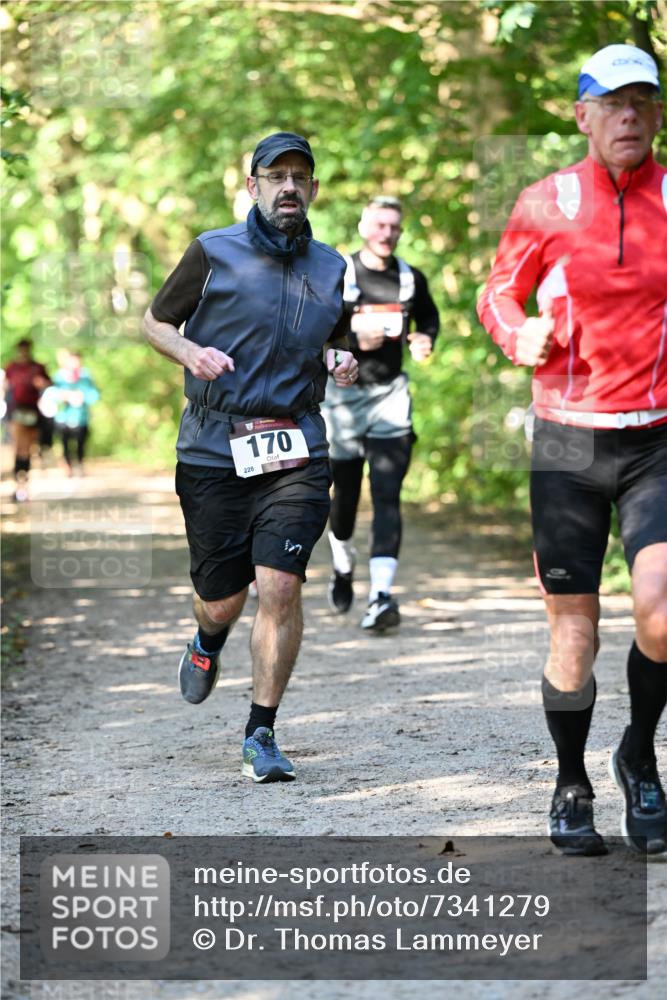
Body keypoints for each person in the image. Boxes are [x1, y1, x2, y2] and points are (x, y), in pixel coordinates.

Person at [477, 44, 666, 855]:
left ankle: (637, 757)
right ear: (581, 115)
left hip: (657, 439)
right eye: (612, 103)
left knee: (662, 613)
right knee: (574, 633)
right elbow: (496, 292)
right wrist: (515, 332)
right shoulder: (544, 201)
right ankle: (569, 781)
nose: (629, 116)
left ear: (657, 113)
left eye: (643, 102)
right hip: (565, 441)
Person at [143, 132, 357, 783]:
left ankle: (260, 732)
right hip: (213, 449)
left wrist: (341, 358)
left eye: (300, 176)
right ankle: (208, 640)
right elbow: (155, 321)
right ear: (252, 186)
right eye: (275, 176)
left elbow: (336, 340)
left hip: (296, 447)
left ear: (313, 189)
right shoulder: (211, 252)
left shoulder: (332, 267)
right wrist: (189, 353)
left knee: (281, 586)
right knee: (222, 599)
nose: (288, 186)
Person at [322, 196, 439, 630]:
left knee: (388, 493)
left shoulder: (410, 279)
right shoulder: (339, 273)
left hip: (391, 396)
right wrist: (353, 335)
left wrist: (424, 340)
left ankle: (381, 596)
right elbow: (311, 325)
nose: (387, 233)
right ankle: (342, 561)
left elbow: (428, 319)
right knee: (346, 498)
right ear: (363, 227)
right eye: (380, 225)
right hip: (342, 399)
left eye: (394, 226)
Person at [3, 338, 50, 502]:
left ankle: (25, 485)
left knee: (28, 449)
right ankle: (18, 485)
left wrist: (42, 384)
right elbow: (5, 387)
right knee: (17, 448)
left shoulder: (38, 368)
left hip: (33, 412)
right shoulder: (12, 368)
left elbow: (48, 385)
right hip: (16, 412)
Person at [49, 351, 100, 476]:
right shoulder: (59, 377)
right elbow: (51, 393)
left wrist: (83, 397)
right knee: (65, 443)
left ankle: (80, 464)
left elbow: (94, 395)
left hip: (81, 417)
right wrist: (64, 396)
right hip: (63, 417)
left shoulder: (86, 376)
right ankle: (68, 467)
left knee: (81, 443)